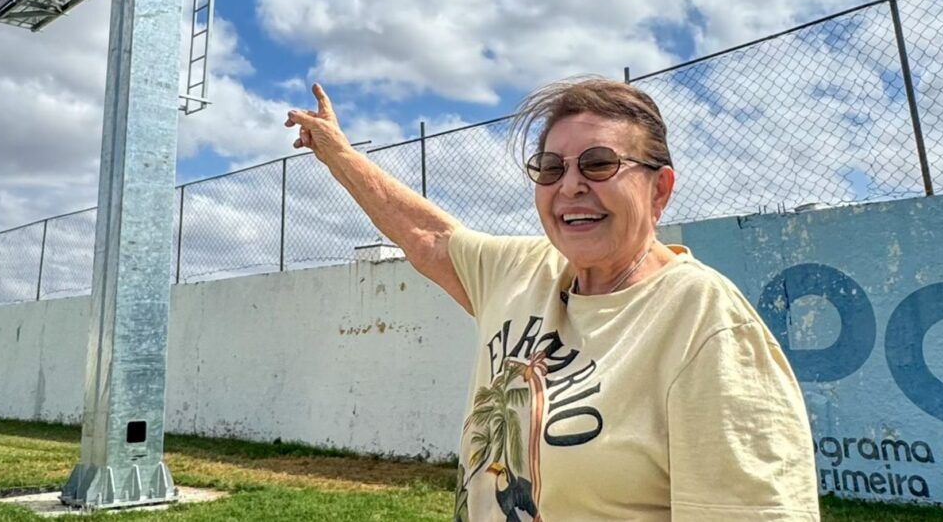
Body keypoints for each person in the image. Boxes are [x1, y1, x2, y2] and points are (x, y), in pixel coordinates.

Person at [286, 77, 819, 521]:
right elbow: (427, 236)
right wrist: (337, 154)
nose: (569, 186)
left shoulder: (707, 324)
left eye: (598, 164)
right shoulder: (523, 272)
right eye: (550, 168)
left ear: (659, 189)